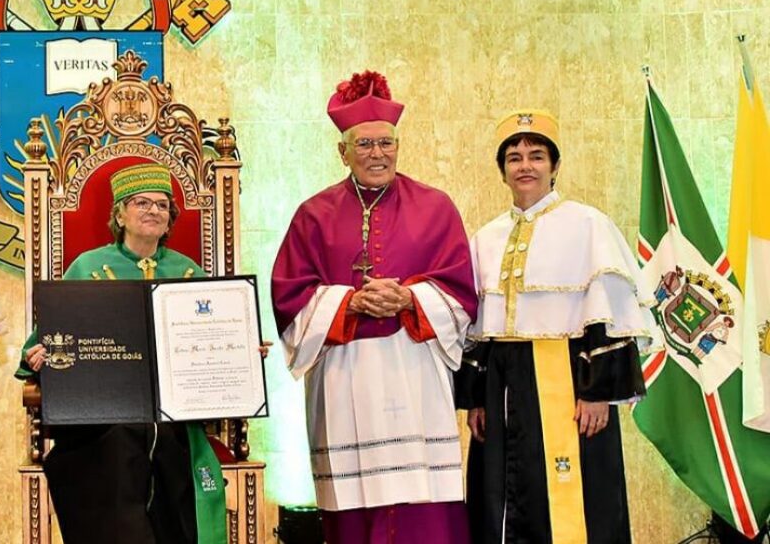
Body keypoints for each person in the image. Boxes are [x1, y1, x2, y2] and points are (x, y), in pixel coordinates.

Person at [271, 70, 479, 543]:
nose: (377, 154)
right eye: (363, 145)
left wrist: (410, 297)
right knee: (354, 512)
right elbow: (289, 294)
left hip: (415, 370)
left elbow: (462, 291)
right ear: (341, 152)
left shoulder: (436, 206)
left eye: (386, 143)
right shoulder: (312, 214)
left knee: (421, 510)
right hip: (344, 374)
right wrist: (349, 301)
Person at [457, 110, 653, 544]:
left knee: (575, 500)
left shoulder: (588, 225)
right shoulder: (486, 237)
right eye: (514, 157)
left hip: (567, 380)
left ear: (554, 166)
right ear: (503, 170)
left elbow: (606, 314)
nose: (525, 165)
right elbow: (479, 330)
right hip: (502, 384)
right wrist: (476, 399)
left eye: (536, 155)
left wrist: (597, 391)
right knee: (500, 493)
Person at [16, 163, 228, 544]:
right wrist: (41, 353)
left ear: (170, 219)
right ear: (120, 214)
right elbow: (44, 338)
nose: (153, 211)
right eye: (141, 203)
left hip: (173, 419)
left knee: (164, 449)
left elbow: (215, 337)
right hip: (105, 421)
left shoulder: (189, 273)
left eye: (162, 205)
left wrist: (240, 350)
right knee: (111, 458)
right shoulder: (88, 267)